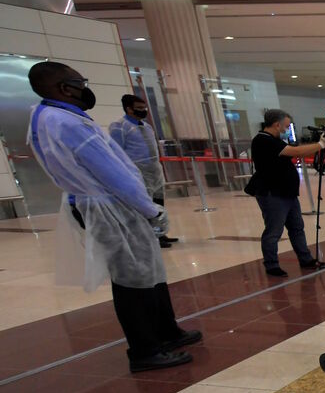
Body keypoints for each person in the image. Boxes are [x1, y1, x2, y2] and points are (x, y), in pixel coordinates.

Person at [26, 62, 199, 373]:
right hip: (110, 206)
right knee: (133, 280)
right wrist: (150, 209)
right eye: (80, 82)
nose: (84, 88)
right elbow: (114, 173)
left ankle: (166, 331)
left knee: (150, 271)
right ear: (64, 88)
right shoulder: (69, 123)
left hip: (106, 203)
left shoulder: (49, 117)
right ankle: (145, 349)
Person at [245, 109, 325, 277]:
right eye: (285, 125)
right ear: (277, 123)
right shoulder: (263, 141)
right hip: (272, 193)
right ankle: (271, 265)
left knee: (297, 227)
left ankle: (306, 259)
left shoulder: (274, 140)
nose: (286, 128)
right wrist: (320, 145)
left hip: (287, 192)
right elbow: (296, 152)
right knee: (274, 230)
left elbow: (294, 150)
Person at [108, 95, 177, 247]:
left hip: (154, 171)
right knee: (145, 205)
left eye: (144, 107)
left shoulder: (147, 127)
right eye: (139, 108)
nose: (143, 111)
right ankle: (150, 237)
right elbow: (116, 151)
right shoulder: (119, 126)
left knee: (158, 203)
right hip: (138, 172)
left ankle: (160, 233)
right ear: (128, 109)